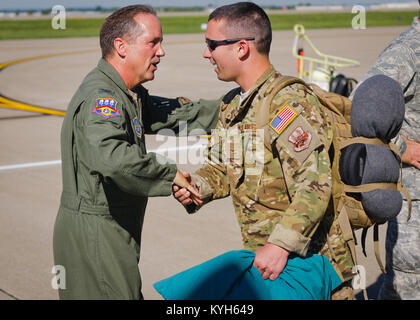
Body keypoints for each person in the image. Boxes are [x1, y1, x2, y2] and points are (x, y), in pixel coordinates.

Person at [173, 2, 355, 299]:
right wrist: (196, 187)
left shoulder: (287, 102)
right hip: (272, 268)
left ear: (241, 48)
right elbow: (222, 168)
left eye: (211, 44)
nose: (206, 53)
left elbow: (314, 184)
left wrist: (280, 245)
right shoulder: (233, 105)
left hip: (314, 268)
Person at [53, 5, 220, 300]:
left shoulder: (127, 93)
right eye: (153, 42)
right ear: (121, 47)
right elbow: (112, 158)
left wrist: (233, 106)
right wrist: (169, 174)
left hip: (110, 230)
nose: (161, 52)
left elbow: (177, 114)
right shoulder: (102, 98)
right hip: (96, 235)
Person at [349, 11, 420, 300]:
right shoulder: (407, 52)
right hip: (414, 207)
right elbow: (357, 111)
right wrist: (404, 148)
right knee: (405, 291)